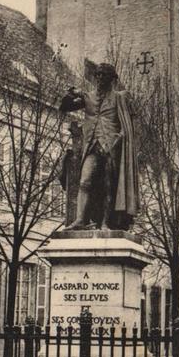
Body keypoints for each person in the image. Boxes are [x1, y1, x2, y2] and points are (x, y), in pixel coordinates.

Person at [59, 62, 139, 231]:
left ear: (111, 78)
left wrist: (117, 140)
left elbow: (127, 125)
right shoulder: (88, 96)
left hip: (112, 147)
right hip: (92, 146)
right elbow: (65, 107)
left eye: (104, 75)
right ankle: (80, 220)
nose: (100, 78)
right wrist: (70, 93)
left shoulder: (119, 97)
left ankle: (105, 223)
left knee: (109, 187)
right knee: (85, 181)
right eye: (98, 75)